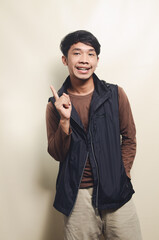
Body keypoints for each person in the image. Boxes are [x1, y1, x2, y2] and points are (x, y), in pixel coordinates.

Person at [46, 30, 142, 240]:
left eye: (90, 54)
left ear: (97, 60)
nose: (84, 60)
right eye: (77, 53)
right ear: (65, 59)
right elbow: (56, 153)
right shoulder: (55, 105)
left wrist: (122, 174)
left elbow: (129, 138)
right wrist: (64, 119)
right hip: (76, 196)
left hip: (116, 191)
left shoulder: (115, 94)